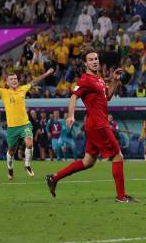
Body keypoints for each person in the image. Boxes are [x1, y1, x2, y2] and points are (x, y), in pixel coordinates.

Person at [45, 47, 136, 203]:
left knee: (88, 162)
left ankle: (54, 177)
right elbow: (74, 96)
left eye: (96, 59)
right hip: (98, 125)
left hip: (95, 124)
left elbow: (107, 97)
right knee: (118, 156)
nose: (94, 62)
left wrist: (114, 80)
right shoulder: (85, 80)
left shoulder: (99, 79)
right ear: (85, 63)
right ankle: (121, 197)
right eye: (91, 59)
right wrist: (71, 115)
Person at [0, 67, 53, 179]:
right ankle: (10, 168)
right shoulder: (4, 92)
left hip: (25, 124)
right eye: (12, 79)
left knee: (29, 143)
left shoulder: (23, 89)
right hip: (12, 128)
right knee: (11, 151)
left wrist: (46, 73)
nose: (14, 80)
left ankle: (27, 165)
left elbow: (34, 82)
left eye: (15, 78)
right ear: (7, 82)